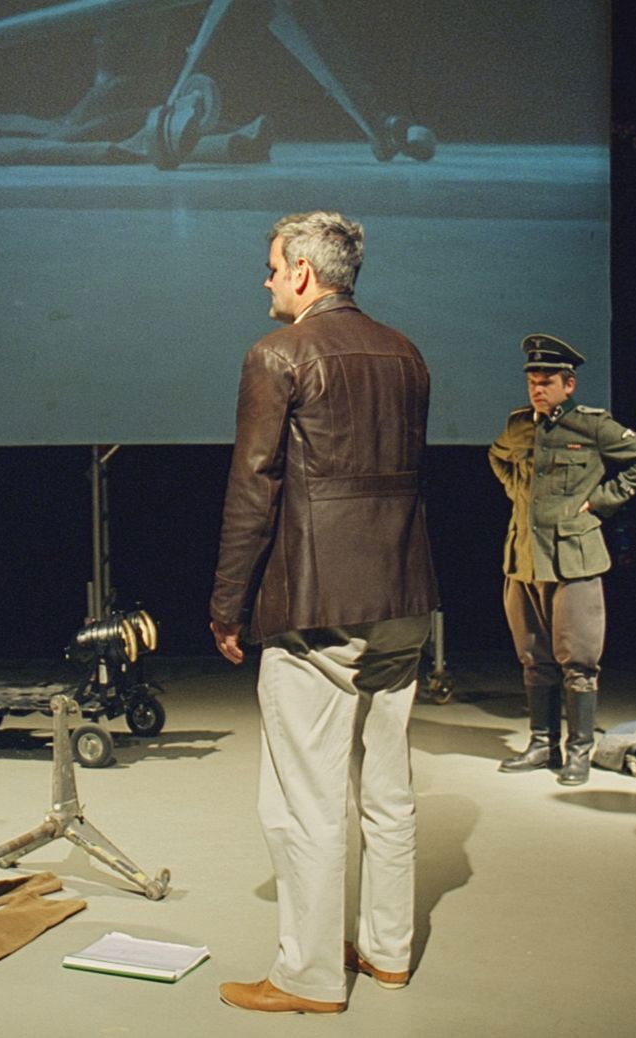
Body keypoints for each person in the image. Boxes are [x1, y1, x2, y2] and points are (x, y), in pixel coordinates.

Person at [209, 211, 438, 1014]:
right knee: (387, 788)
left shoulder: (277, 354)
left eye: (273, 266)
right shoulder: (406, 353)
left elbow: (253, 487)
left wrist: (227, 604)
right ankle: (387, 953)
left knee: (302, 801)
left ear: (303, 272)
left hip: (315, 604)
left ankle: (307, 977)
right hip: (404, 595)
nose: (267, 279)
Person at [488, 335, 636, 784]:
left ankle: (579, 752)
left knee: (579, 661)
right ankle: (541, 744)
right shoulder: (520, 425)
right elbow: (498, 457)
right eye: (532, 381)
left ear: (569, 385)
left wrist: (601, 502)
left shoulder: (590, 426)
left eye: (546, 382)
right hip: (525, 559)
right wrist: (518, 495)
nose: (537, 389)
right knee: (534, 657)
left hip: (573, 559)